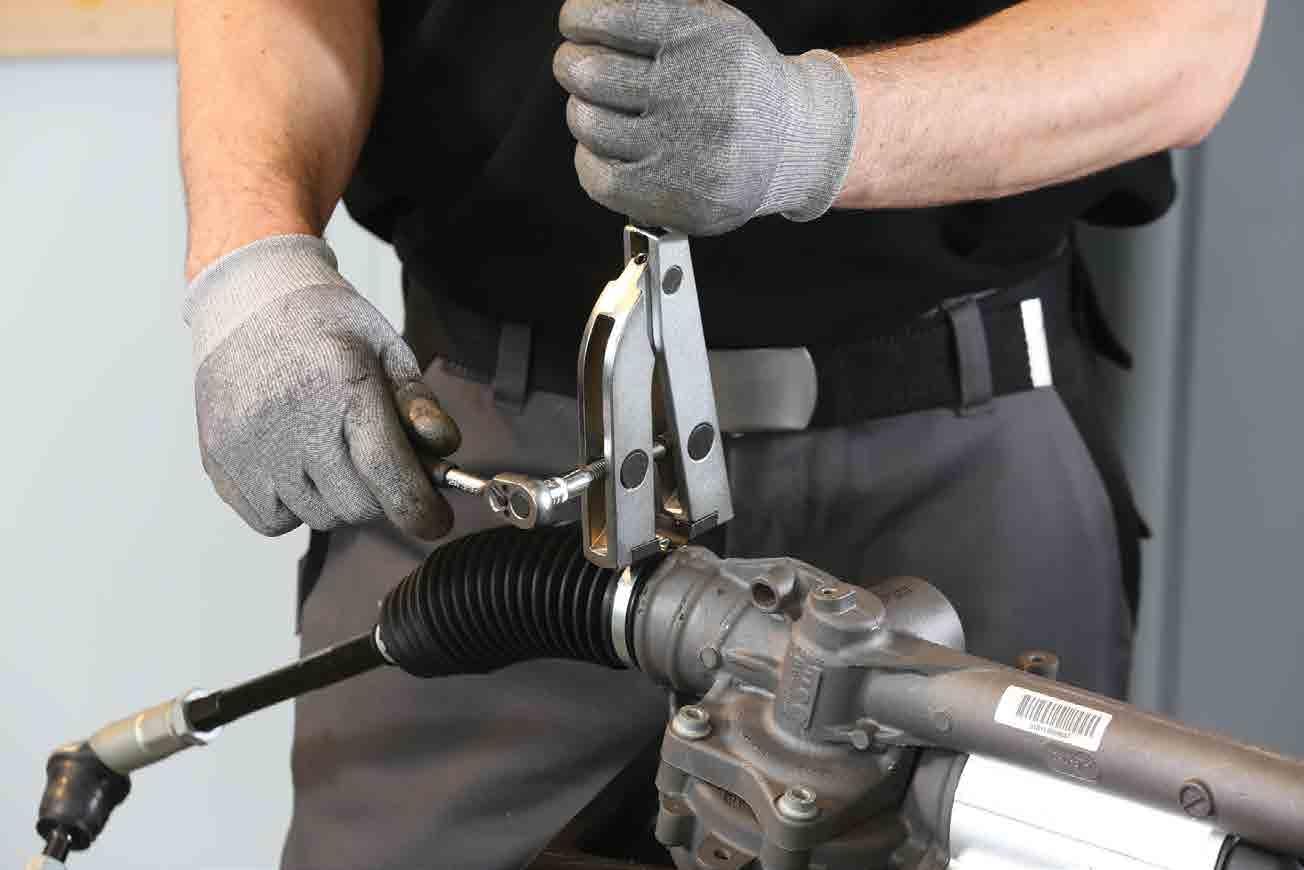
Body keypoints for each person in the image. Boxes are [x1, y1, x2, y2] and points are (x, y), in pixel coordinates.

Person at [174, 1, 1264, 867]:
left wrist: (811, 128)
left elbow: (1183, 35)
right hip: (492, 486)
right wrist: (250, 266)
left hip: (962, 460)